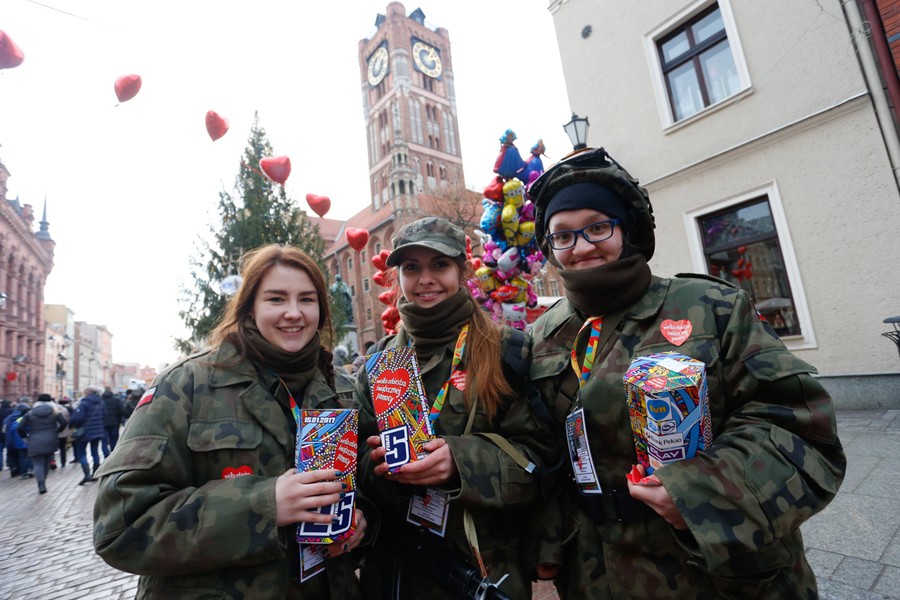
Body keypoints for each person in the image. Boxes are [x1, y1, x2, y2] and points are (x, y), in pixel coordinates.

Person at [525, 147, 846, 598]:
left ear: (629, 231)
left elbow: (799, 426)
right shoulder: (543, 336)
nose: (581, 247)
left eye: (598, 227)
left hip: (716, 572)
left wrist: (697, 495)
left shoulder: (710, 307)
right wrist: (547, 545)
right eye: (563, 235)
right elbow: (544, 453)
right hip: (598, 577)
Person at [93, 244, 369, 599]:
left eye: (307, 299)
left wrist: (361, 525)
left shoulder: (340, 389)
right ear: (250, 308)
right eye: (276, 299)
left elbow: (365, 495)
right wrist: (266, 504)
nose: (293, 313)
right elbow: (120, 525)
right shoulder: (187, 385)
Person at [356, 217, 556, 600]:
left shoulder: (506, 349)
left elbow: (541, 461)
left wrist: (458, 463)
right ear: (396, 277)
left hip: (480, 570)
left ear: (462, 270)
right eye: (411, 268)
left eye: (439, 265)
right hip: (397, 573)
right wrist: (381, 466)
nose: (425, 279)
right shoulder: (378, 361)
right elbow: (359, 471)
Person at [17, 393, 67, 494]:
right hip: (51, 439)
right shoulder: (55, 412)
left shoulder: (30, 413)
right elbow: (64, 423)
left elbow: (20, 427)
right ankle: (43, 481)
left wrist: (24, 436)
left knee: (38, 463)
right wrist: (57, 431)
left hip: (34, 440)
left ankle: (41, 484)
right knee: (47, 462)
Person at [69, 385, 106, 485]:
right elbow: (104, 415)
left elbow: (77, 418)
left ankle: (87, 475)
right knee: (95, 452)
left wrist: (72, 425)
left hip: (84, 431)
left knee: (81, 453)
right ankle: (95, 473)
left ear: (87, 393)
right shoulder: (100, 402)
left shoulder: (84, 403)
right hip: (98, 430)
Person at [2, 400, 32, 478]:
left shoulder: (9, 417)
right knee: (25, 456)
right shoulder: (26, 417)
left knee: (12, 455)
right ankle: (27, 470)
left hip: (11, 439)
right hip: (24, 439)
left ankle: (14, 468)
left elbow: (5, 428)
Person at [100, 387, 126, 457]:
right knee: (114, 439)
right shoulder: (116, 400)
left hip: (103, 423)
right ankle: (113, 455)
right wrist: (120, 419)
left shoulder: (101, 400)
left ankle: (106, 456)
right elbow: (121, 411)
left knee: (104, 441)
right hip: (115, 423)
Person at [0, 398, 13, 471]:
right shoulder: (11, 411)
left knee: (0, 450)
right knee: (9, 449)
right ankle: (9, 464)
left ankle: (0, 465)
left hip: (0, 433)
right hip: (9, 432)